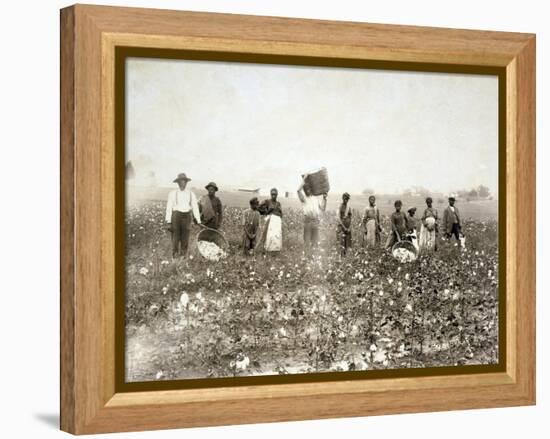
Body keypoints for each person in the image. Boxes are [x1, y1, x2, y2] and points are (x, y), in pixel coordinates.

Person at [165, 172, 201, 258]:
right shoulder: (172, 193)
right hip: (176, 216)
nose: (182, 183)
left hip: (187, 216)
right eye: (181, 181)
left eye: (184, 181)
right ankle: (175, 256)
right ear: (178, 183)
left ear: (186, 182)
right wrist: (168, 221)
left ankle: (183, 256)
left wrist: (198, 220)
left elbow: (195, 207)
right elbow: (169, 207)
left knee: (185, 237)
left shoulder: (191, 194)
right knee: (175, 237)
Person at [297, 175, 327, 256]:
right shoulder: (304, 199)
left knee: (315, 242)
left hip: (315, 221)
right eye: (306, 188)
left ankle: (313, 260)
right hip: (308, 221)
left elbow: (323, 208)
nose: (308, 190)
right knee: (307, 242)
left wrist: (324, 198)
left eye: (309, 188)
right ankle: (307, 259)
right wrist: (304, 179)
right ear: (305, 190)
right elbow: (298, 191)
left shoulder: (316, 198)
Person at [258, 188, 283, 253]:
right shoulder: (267, 201)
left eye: (275, 194)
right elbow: (258, 208)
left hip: (277, 222)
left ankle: (275, 250)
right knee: (269, 235)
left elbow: (281, 213)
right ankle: (267, 249)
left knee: (276, 236)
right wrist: (267, 212)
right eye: (272, 194)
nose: (273, 195)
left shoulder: (278, 203)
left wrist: (279, 215)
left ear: (277, 195)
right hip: (270, 221)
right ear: (270, 194)